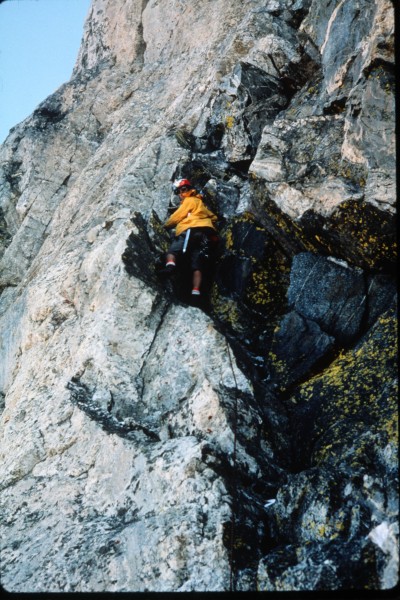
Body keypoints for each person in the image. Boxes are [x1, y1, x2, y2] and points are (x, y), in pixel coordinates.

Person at [163, 178, 218, 296]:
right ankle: (196, 290)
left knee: (173, 250)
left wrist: (166, 225)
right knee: (197, 263)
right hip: (204, 233)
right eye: (179, 192)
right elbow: (213, 217)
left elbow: (178, 216)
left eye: (182, 190)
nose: (181, 194)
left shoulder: (189, 201)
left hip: (190, 229)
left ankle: (170, 267)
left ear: (188, 190)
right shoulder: (200, 203)